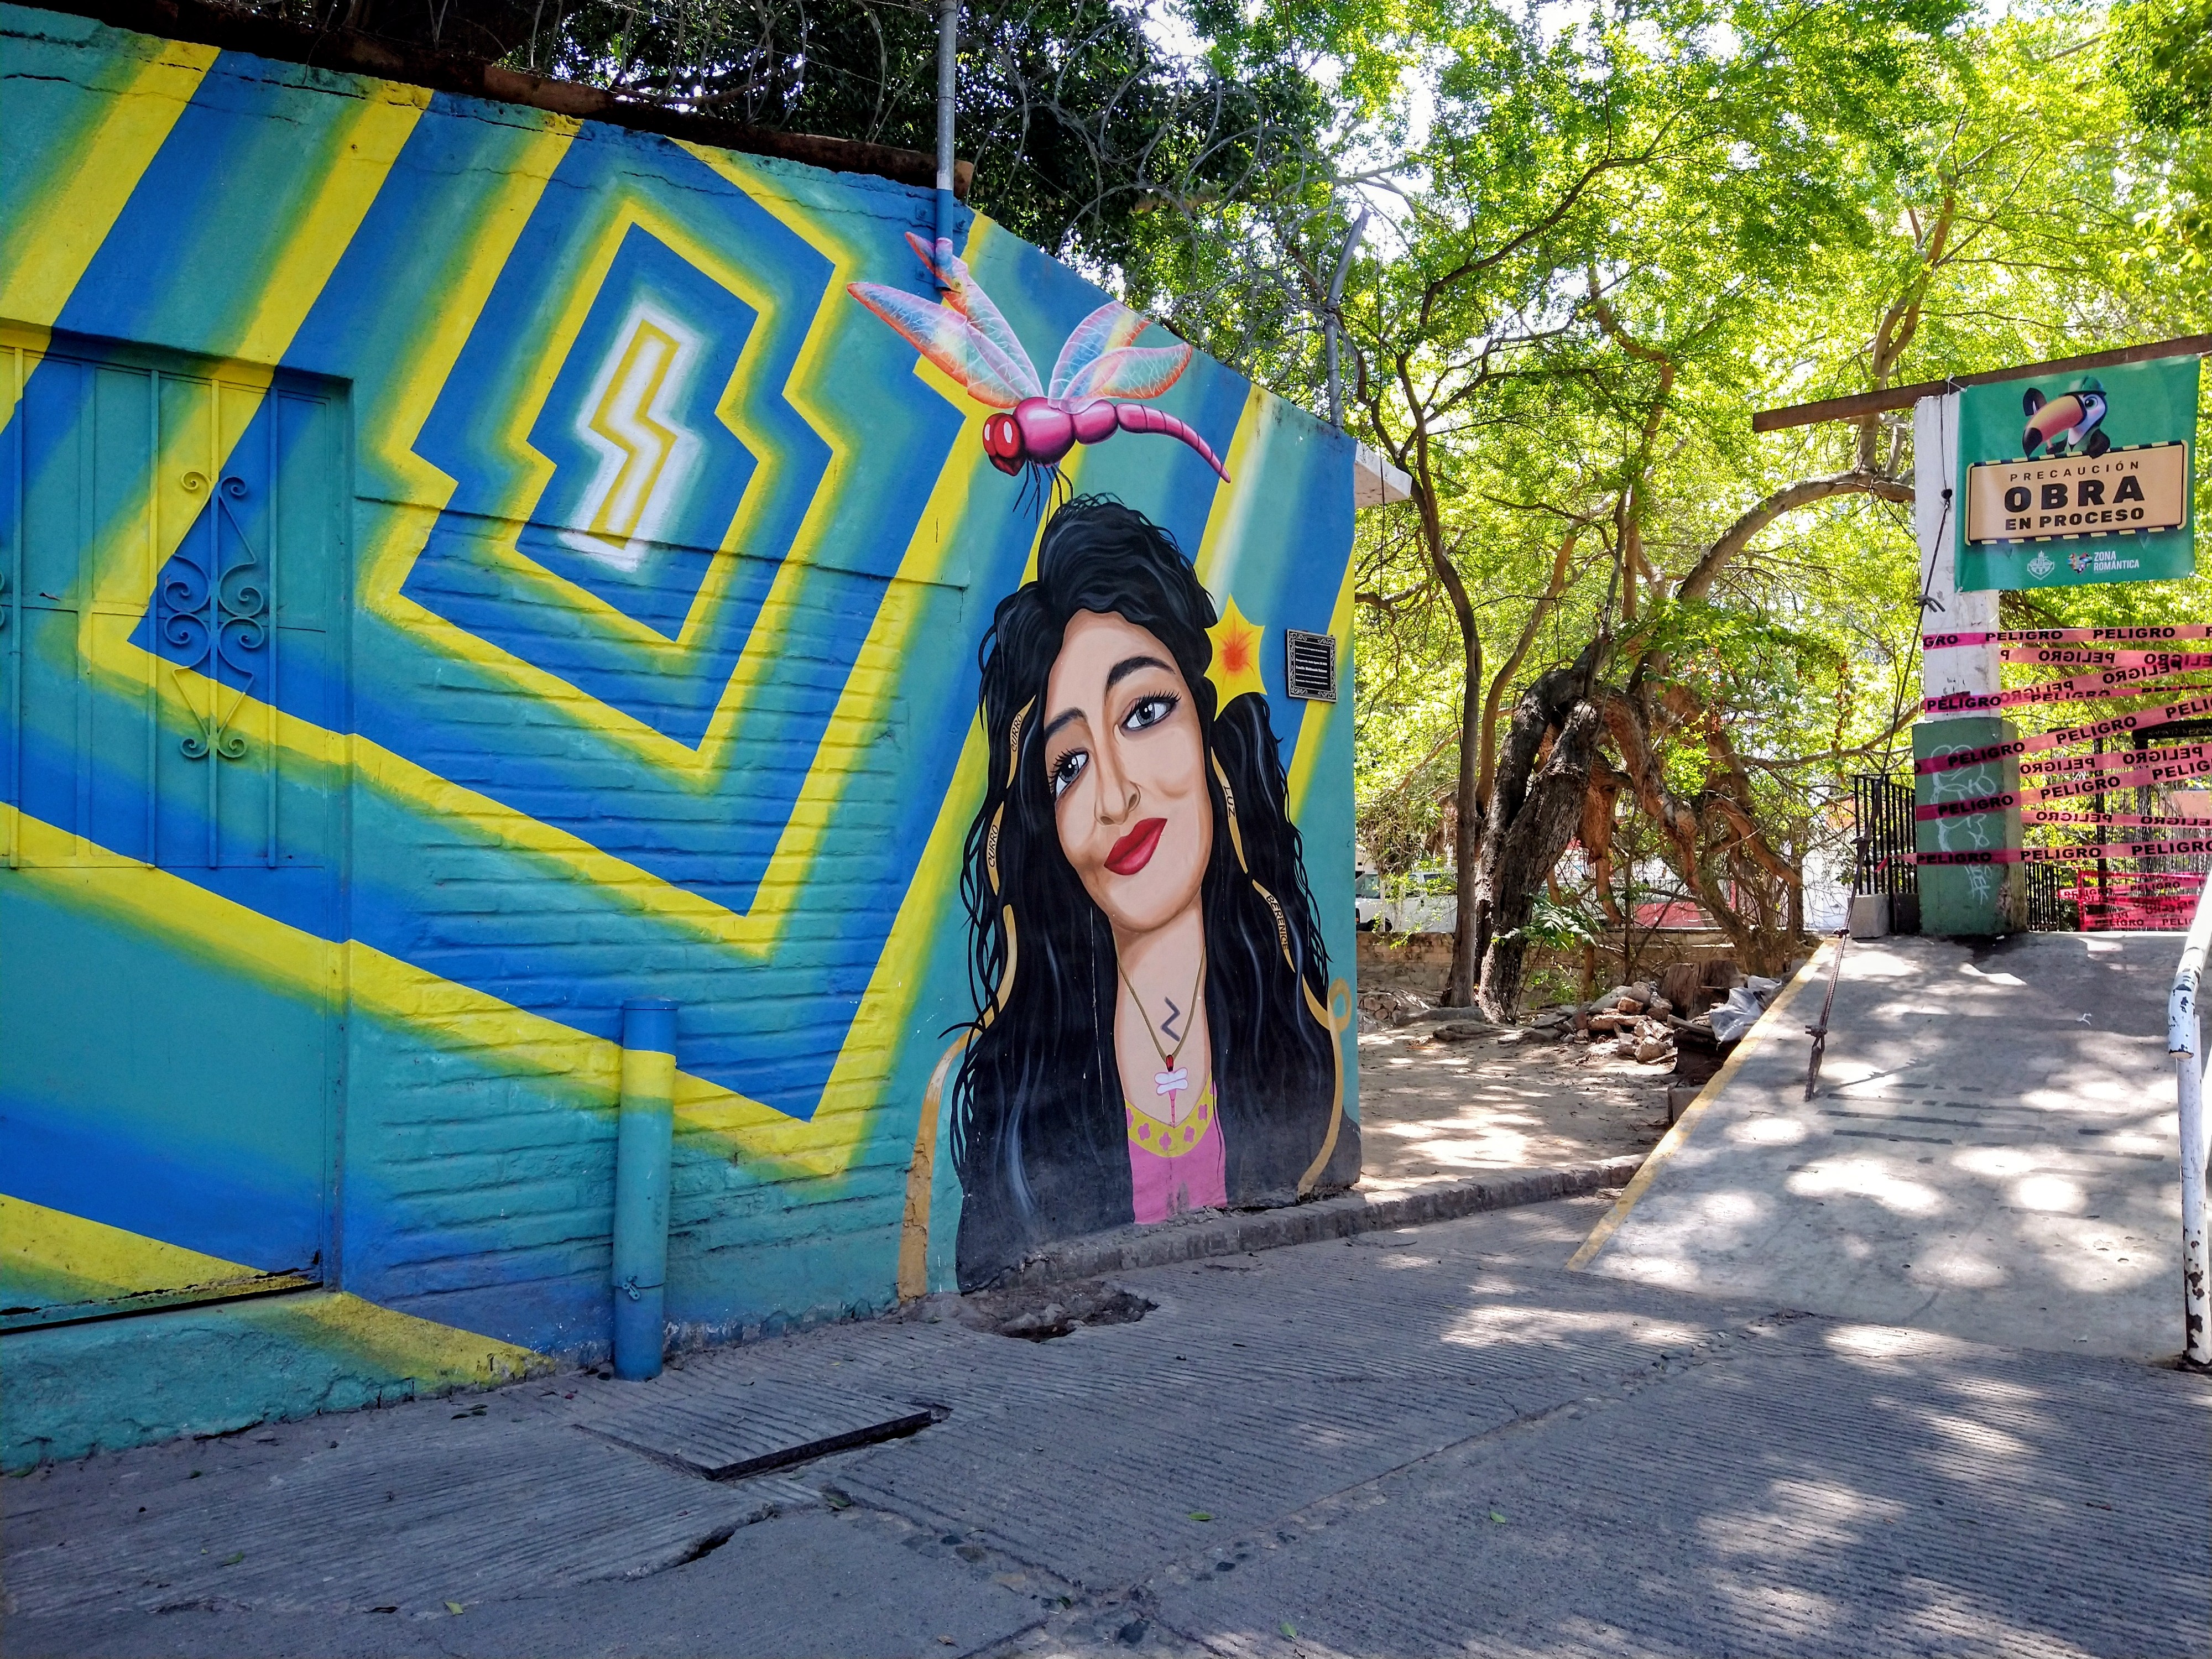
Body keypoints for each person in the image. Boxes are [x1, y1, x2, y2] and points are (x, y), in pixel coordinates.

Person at [945, 497, 1353, 1290]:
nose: (1114, 796)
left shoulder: (1301, 1048)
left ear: (1208, 737)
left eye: (1145, 712)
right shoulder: (1018, 1099)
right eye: (1068, 766)